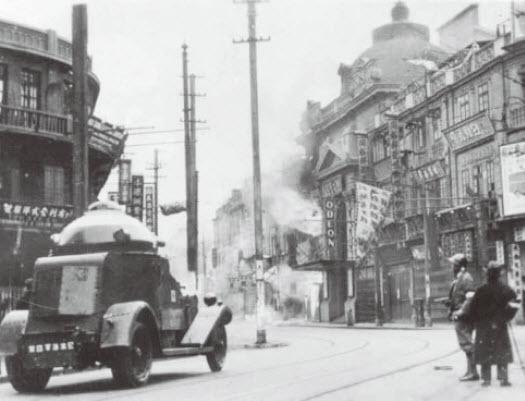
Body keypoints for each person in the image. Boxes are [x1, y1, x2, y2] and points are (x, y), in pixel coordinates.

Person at [466, 261, 518, 387]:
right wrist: (506, 317)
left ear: (487, 274)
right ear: (499, 274)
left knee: (484, 352)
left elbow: (472, 309)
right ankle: (503, 378)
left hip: (483, 326)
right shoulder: (506, 290)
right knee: (502, 351)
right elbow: (515, 304)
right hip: (500, 324)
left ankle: (486, 379)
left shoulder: (480, 290)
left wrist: (475, 322)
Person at [446, 253, 479, 381]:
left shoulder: (466, 278)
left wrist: (460, 311)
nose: (452, 267)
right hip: (460, 315)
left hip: (464, 316)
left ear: (460, 266)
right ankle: (470, 371)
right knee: (465, 343)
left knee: (467, 343)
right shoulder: (458, 278)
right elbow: (459, 296)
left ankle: (473, 372)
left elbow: (470, 298)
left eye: (454, 265)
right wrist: (450, 304)